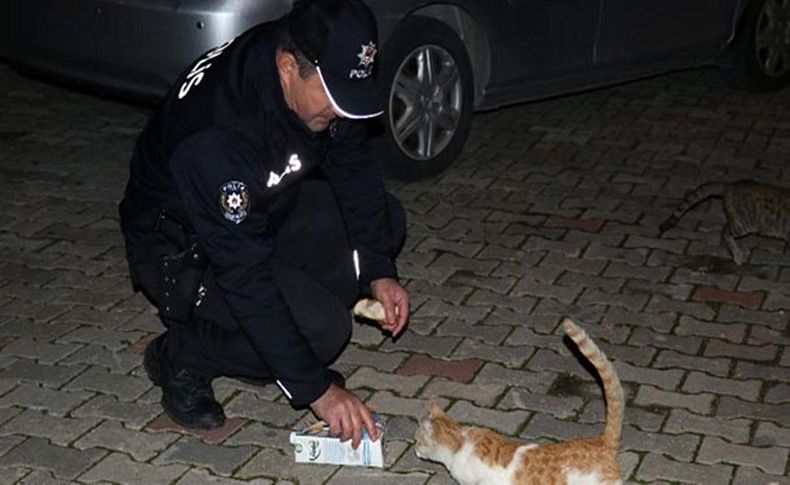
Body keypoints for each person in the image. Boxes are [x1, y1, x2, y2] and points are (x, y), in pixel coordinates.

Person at [118, 0, 409, 449]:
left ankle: (275, 351)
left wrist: (378, 270)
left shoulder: (310, 60)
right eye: (331, 98)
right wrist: (317, 391)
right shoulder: (217, 132)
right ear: (289, 67)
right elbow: (244, 276)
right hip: (181, 248)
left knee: (384, 224)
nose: (339, 111)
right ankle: (180, 356)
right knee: (324, 330)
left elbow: (353, 166)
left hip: (262, 210)